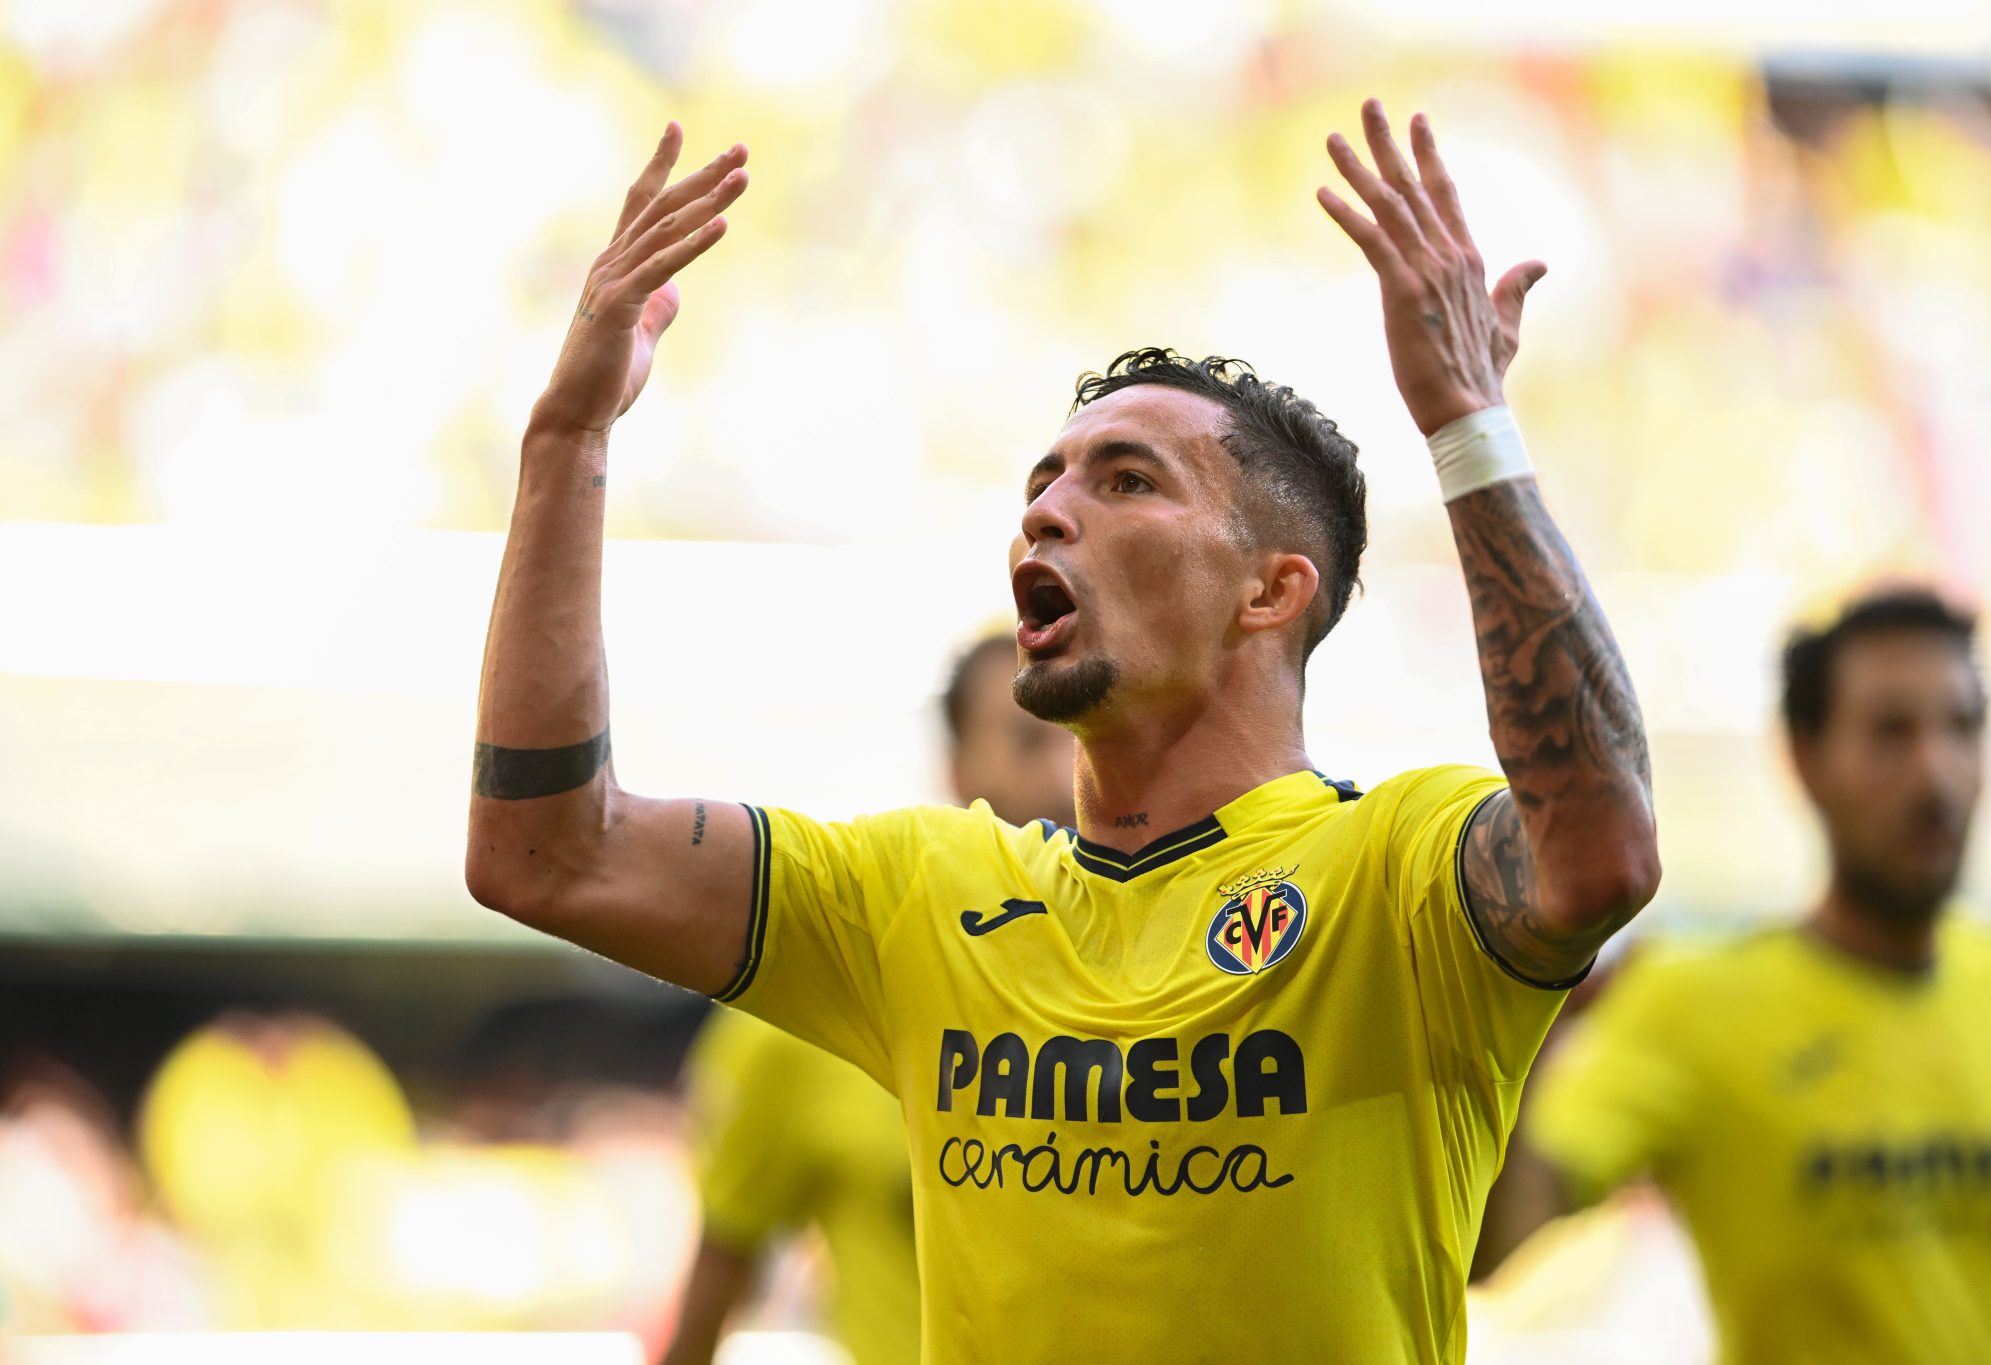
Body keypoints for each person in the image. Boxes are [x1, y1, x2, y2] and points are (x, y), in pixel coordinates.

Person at [466, 98, 1659, 1362]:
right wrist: (564, 439)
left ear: (1270, 591)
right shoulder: (916, 899)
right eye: (1041, 484)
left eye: (1126, 480)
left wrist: (1467, 425)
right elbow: (546, 856)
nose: (1045, 512)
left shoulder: (1395, 872)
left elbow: (1601, 851)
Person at [1475, 588, 1991, 1363]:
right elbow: (1493, 1245)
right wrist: (1534, 1009)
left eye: (1963, 727)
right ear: (1806, 759)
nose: (1936, 773)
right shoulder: (1690, 1001)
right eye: (1892, 732)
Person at [664, 636, 1074, 1365]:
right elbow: (720, 1272)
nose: (1070, 771)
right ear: (959, 771)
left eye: (1089, 736)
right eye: (1029, 738)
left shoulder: (1196, 977)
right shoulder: (811, 1013)